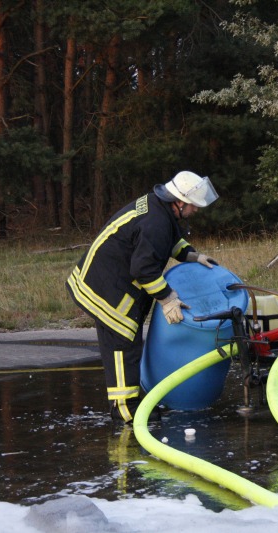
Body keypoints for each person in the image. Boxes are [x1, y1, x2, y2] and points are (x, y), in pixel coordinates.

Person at [66, 171, 219, 423]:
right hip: (107, 288)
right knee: (122, 343)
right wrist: (167, 298)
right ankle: (125, 409)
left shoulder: (159, 208)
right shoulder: (155, 221)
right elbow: (144, 269)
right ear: (179, 201)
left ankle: (132, 397)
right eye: (193, 205)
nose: (196, 210)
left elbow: (169, 240)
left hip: (108, 278)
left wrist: (191, 255)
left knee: (128, 343)